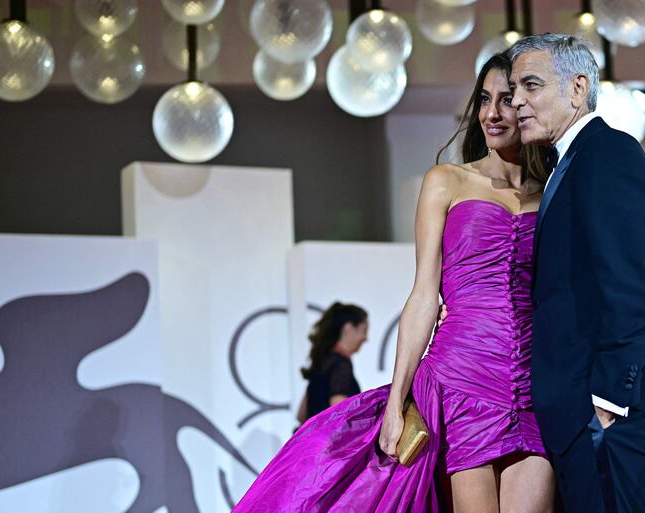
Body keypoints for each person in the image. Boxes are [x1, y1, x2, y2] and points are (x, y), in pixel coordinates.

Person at [230, 52, 555, 513]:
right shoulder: (447, 181)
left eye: (507, 99)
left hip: (536, 382)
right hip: (462, 379)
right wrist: (396, 400)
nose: (492, 113)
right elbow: (424, 293)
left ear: (527, 105)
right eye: (484, 99)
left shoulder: (553, 191)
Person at [504, 33, 645, 513]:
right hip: (583, 414)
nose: (517, 100)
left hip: (607, 414)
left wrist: (608, 402)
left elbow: (631, 284)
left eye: (531, 85)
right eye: (514, 88)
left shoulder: (608, 153)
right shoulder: (573, 162)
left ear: (578, 87)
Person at [295, 302, 368, 424]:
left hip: (313, 441)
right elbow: (340, 411)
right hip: (332, 442)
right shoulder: (341, 364)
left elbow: (301, 415)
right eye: (364, 330)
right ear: (348, 328)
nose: (366, 338)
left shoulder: (322, 360)